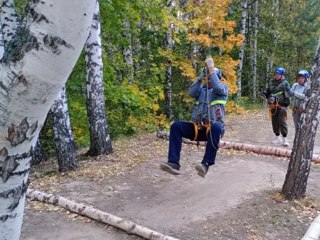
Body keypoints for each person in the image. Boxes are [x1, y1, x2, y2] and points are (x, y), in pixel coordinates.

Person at [160, 56, 228, 178]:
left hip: (213, 130)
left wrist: (211, 68)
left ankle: (205, 164)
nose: (209, 80)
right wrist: (200, 77)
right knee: (176, 126)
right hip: (199, 129)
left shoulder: (223, 89)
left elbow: (217, 86)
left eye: (211, 77)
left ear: (217, 78)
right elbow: (191, 92)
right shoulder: (201, 91)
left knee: (217, 127)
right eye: (207, 77)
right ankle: (173, 163)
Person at [262, 67, 291, 147]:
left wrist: (286, 104)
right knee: (274, 121)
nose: (276, 76)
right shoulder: (272, 83)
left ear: (282, 75)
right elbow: (268, 92)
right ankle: (277, 137)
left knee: (282, 122)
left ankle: (285, 139)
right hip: (273, 105)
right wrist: (265, 94)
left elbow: (288, 94)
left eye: (278, 74)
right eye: (276, 74)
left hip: (281, 105)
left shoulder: (285, 83)